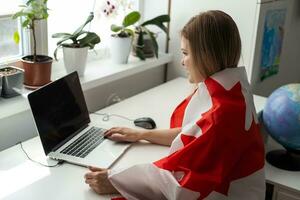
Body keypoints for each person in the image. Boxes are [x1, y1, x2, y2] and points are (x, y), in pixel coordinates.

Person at [84, 10, 265, 199]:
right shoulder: (235, 90)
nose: (182, 61)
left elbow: (180, 185)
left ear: (207, 56)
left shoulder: (221, 114)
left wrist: (115, 180)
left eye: (186, 53)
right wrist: (142, 134)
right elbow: (197, 136)